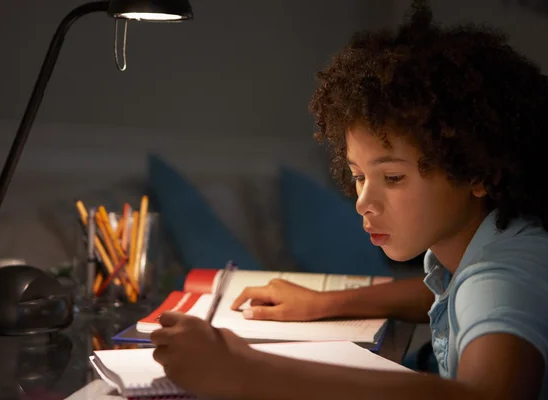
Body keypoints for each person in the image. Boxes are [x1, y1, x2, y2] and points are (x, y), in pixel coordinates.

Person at [149, 1, 548, 398]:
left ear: (477, 170)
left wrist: (244, 370)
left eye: (392, 177)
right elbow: (438, 291)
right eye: (359, 176)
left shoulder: (498, 277)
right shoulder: (480, 248)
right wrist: (324, 303)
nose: (363, 201)